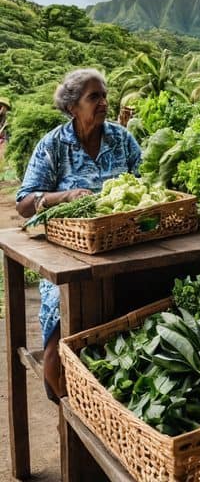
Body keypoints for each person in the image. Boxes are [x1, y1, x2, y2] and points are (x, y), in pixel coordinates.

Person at [15, 68, 142, 402]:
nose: (104, 102)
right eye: (94, 97)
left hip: (122, 245)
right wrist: (64, 197)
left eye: (104, 95)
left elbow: (146, 185)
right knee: (62, 312)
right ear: (72, 106)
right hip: (68, 252)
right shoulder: (54, 145)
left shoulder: (122, 139)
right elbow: (24, 203)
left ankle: (107, 401)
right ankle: (62, 400)